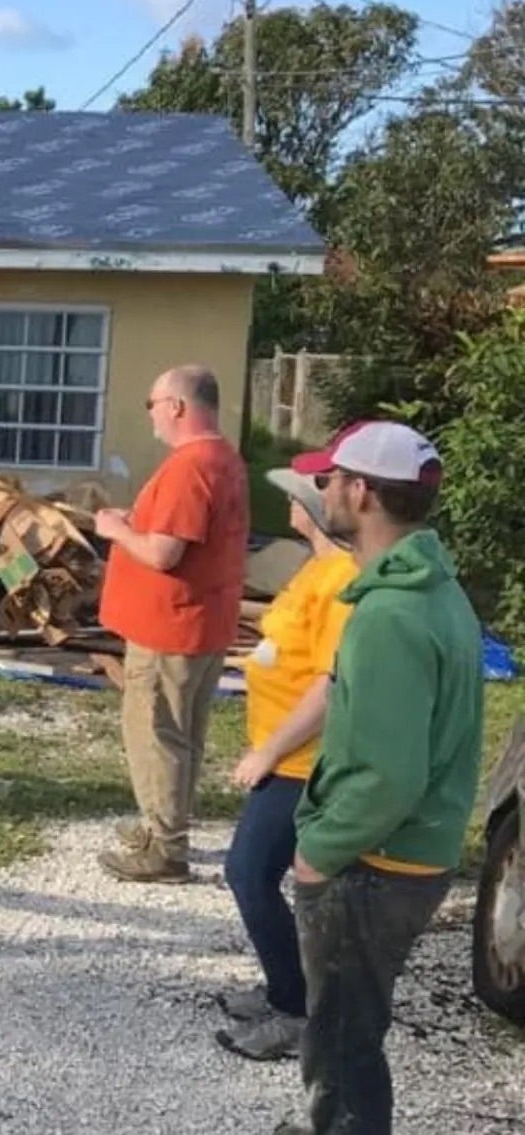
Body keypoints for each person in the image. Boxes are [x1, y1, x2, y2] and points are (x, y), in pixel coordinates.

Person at [277, 420, 482, 1135]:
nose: (322, 488)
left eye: (330, 478)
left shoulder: (391, 615)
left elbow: (390, 775)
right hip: (404, 855)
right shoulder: (432, 591)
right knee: (347, 1028)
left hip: (375, 861)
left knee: (345, 1037)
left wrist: (317, 851)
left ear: (361, 493)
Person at [214, 466, 359, 1063]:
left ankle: (297, 1012)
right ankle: (286, 989)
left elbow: (333, 682)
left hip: (303, 761)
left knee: (250, 874)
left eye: (297, 496)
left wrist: (270, 751)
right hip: (285, 755)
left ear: (310, 508)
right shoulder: (315, 568)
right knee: (260, 875)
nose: (292, 503)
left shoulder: (342, 580)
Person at [94, 364, 249, 884]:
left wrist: (116, 529)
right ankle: (163, 827)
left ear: (178, 406)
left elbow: (163, 553)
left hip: (170, 627)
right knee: (182, 733)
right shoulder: (225, 457)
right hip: (204, 622)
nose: (152, 415)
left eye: (153, 404)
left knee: (156, 732)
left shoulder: (190, 465)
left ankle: (165, 849)